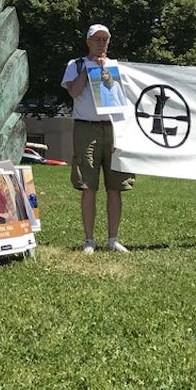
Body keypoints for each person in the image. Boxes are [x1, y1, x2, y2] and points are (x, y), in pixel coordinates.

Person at [62, 24, 132, 254]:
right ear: (88, 41)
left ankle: (113, 239)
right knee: (88, 186)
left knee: (115, 187)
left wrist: (105, 69)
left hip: (113, 129)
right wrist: (90, 68)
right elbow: (73, 92)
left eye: (105, 39)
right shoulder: (76, 65)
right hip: (86, 129)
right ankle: (89, 240)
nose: (101, 43)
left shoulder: (116, 66)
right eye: (96, 39)